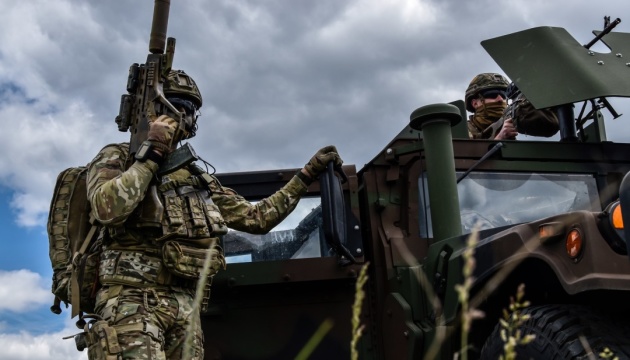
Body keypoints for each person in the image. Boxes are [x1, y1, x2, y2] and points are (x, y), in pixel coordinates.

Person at [85, 69, 342, 359]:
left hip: (185, 306)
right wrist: (152, 153)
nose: (184, 115)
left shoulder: (196, 177)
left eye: (190, 109)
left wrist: (306, 175)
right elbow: (107, 209)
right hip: (131, 299)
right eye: (175, 107)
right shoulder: (119, 156)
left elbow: (256, 219)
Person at [465, 73, 559, 140]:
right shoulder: (458, 130)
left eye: (503, 95)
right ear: (475, 103)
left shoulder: (508, 122)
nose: (500, 99)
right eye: (492, 95)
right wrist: (499, 139)